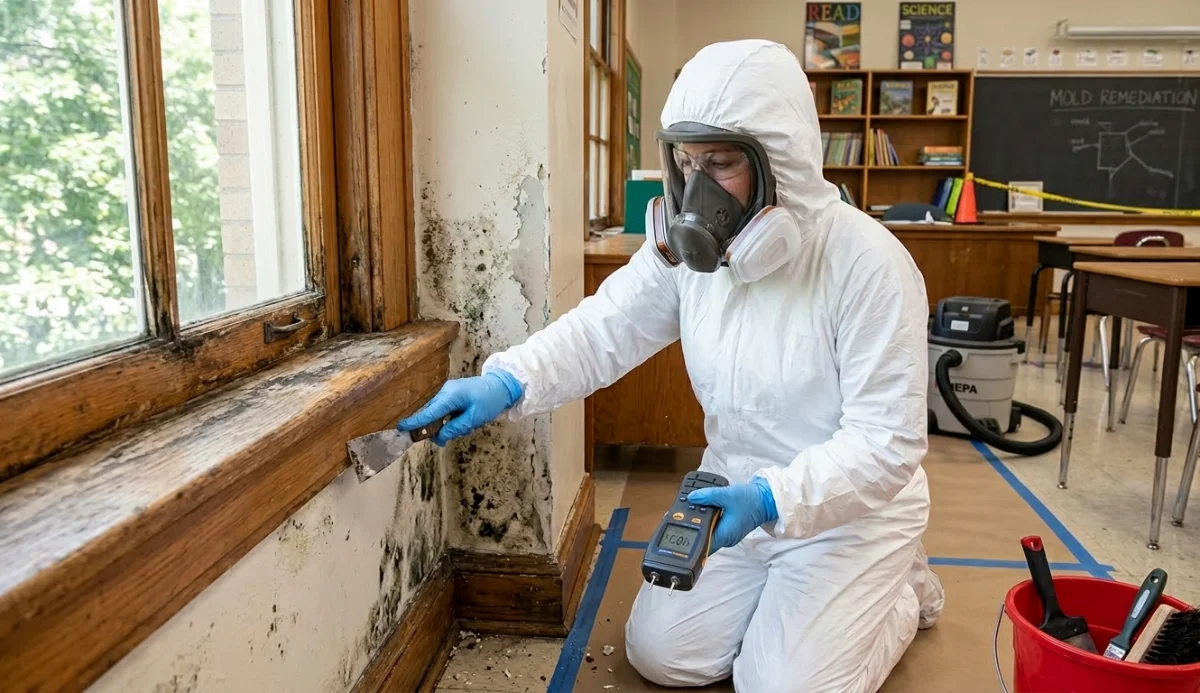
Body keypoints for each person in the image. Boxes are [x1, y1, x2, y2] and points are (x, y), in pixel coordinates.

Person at [398, 39, 945, 692]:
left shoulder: (868, 266)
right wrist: (508, 379)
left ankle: (900, 593)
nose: (698, 188)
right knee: (663, 655)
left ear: (785, 161)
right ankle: (799, 613)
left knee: (779, 686)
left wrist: (775, 498)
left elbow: (888, 441)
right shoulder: (695, 259)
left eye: (721, 162)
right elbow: (607, 327)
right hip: (732, 491)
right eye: (687, 162)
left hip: (848, 512)